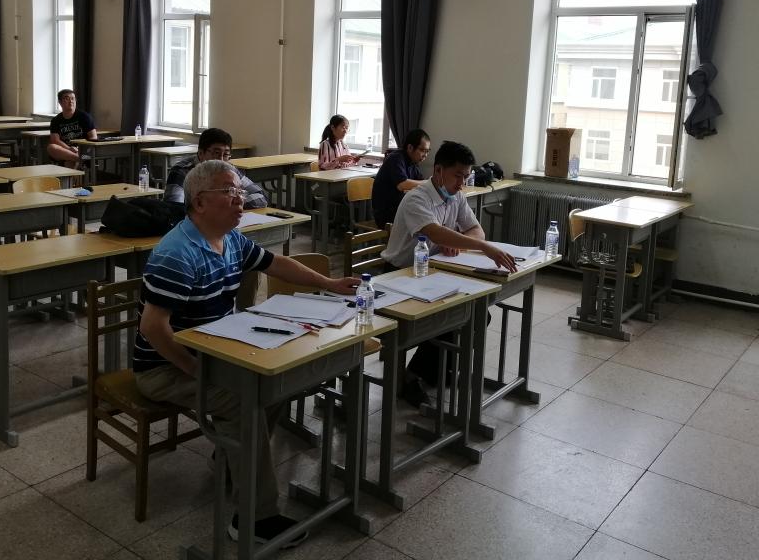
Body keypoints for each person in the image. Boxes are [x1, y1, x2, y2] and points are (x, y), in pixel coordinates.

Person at [134, 159, 359, 548]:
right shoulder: (177, 253)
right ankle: (254, 518)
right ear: (199, 202)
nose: (240, 199)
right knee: (245, 401)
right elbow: (153, 329)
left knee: (274, 382)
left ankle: (230, 460)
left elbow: (278, 264)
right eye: (229, 192)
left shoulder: (231, 239)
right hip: (164, 367)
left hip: (215, 351)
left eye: (239, 191)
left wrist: (330, 283)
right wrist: (195, 370)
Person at [381, 140, 517, 407]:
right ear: (439, 170)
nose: (462, 183)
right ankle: (410, 377)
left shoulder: (456, 196)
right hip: (400, 275)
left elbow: (477, 230)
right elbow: (434, 232)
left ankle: (433, 371)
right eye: (458, 176)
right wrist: (480, 247)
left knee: (477, 317)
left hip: (434, 272)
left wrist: (460, 243)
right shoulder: (417, 197)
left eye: (466, 176)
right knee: (450, 319)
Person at [163, 128, 267, 209]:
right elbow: (174, 207)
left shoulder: (230, 169)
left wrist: (227, 204)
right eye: (216, 153)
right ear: (201, 153)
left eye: (225, 154)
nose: (221, 160)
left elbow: (260, 197)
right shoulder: (182, 171)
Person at [371, 129, 430, 229]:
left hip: (400, 208)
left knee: (428, 216)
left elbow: (421, 183)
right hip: (386, 214)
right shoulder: (396, 158)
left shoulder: (413, 163)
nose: (425, 155)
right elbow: (402, 184)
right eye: (422, 150)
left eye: (427, 151)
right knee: (423, 222)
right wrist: (429, 183)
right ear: (410, 147)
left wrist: (428, 184)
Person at [47, 89, 97, 166]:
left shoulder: (85, 117)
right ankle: (80, 159)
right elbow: (55, 140)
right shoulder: (55, 120)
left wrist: (81, 150)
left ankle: (78, 158)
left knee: (69, 162)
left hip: (82, 150)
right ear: (60, 102)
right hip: (65, 150)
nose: (71, 101)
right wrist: (69, 149)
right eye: (67, 98)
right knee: (51, 147)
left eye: (73, 98)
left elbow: (93, 137)